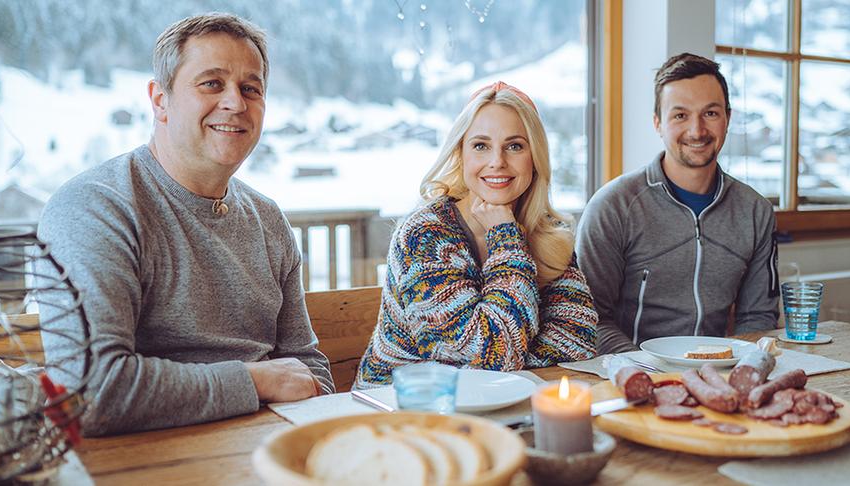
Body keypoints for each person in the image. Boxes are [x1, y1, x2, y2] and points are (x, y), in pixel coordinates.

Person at [36, 13, 333, 436]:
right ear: (160, 101)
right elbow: (90, 391)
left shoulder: (269, 220)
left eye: (251, 88)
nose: (235, 102)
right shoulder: (95, 207)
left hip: (273, 448)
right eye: (212, 83)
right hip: (146, 459)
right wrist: (257, 379)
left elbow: (307, 367)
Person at [355, 82, 598, 389]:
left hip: (507, 406)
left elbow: (579, 340)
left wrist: (504, 352)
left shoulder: (545, 231)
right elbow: (493, 354)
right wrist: (505, 238)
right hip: (403, 411)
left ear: (534, 157)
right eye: (481, 145)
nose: (497, 161)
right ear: (461, 154)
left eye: (515, 146)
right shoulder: (425, 235)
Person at [576, 53, 779, 355]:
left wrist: (736, 372)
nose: (697, 131)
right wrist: (647, 372)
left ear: (728, 118)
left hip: (717, 376)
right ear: (658, 123)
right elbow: (588, 319)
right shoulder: (613, 206)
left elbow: (757, 319)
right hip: (629, 377)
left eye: (710, 113)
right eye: (680, 115)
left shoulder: (755, 212)